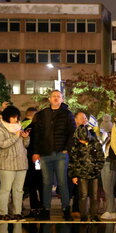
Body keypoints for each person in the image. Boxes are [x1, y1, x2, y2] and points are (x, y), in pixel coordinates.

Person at [29, 90, 75, 221]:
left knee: (62, 183)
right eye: (54, 96)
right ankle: (46, 209)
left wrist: (67, 149)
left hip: (61, 153)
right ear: (49, 99)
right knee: (46, 183)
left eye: (58, 96)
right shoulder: (42, 114)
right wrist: (36, 152)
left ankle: (66, 209)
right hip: (45, 154)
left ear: (62, 99)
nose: (56, 98)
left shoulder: (67, 114)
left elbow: (72, 133)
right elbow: (37, 135)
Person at [0, 106, 30, 220]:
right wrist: (16, 136)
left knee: (19, 190)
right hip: (6, 163)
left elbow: (25, 145)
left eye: (17, 117)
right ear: (7, 117)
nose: (15, 119)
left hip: (21, 163)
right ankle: (3, 212)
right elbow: (2, 144)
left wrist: (25, 138)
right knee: (5, 189)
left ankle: (17, 212)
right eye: (13, 117)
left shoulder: (19, 127)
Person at [68, 112, 104, 222]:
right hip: (81, 174)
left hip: (94, 173)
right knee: (83, 195)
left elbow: (100, 158)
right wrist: (73, 175)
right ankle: (83, 216)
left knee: (94, 195)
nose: (81, 141)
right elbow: (72, 161)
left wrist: (97, 170)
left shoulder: (95, 143)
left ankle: (94, 215)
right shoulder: (76, 145)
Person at [21, 107, 43, 218]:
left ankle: (34, 208)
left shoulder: (27, 127)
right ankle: (43, 208)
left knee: (32, 186)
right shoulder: (44, 128)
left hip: (30, 160)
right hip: (42, 160)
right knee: (42, 184)